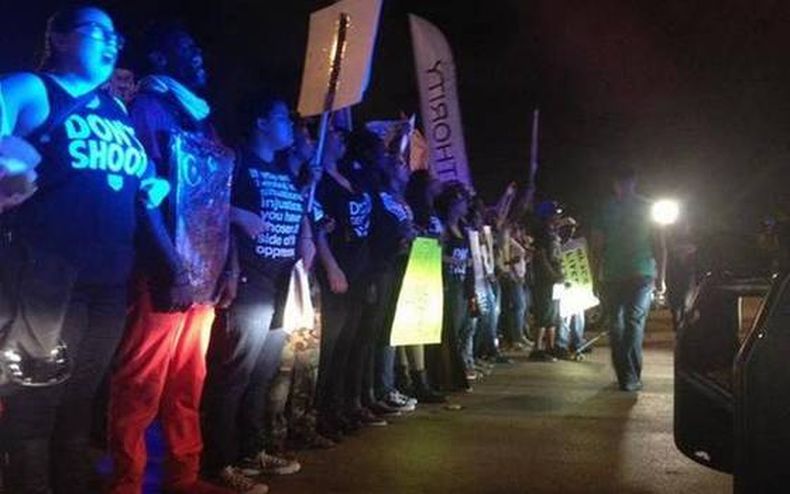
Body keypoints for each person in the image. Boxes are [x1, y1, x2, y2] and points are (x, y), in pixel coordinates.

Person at [0, 6, 160, 492]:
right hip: (45, 277)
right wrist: (8, 158)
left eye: (116, 36)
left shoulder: (116, 109)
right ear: (61, 38)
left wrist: (151, 183)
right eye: (97, 32)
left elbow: (136, 170)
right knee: (35, 404)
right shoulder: (33, 88)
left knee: (78, 403)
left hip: (108, 279)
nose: (111, 42)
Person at [107, 23, 258, 494]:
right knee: (141, 384)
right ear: (159, 58)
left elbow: (215, 200)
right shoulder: (148, 109)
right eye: (186, 47)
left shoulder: (200, 119)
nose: (198, 55)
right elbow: (144, 196)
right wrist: (171, 267)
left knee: (188, 382)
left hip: (203, 275)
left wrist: (229, 266)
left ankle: (183, 475)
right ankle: (127, 483)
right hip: (164, 273)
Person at [201, 93, 305, 483]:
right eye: (283, 118)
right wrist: (236, 214)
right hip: (248, 279)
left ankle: (251, 450)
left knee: (262, 373)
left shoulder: (282, 170)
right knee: (235, 373)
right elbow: (202, 200)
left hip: (280, 283)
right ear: (260, 122)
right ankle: (218, 461)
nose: (290, 126)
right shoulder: (238, 161)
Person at [591, 165, 666, 392]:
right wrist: (661, 277)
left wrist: (595, 277)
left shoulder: (608, 208)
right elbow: (659, 244)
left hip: (627, 274)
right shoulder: (643, 207)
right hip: (630, 274)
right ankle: (629, 375)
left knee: (622, 323)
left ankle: (627, 375)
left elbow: (596, 247)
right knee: (628, 323)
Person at [529, 200, 564, 362]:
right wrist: (552, 274)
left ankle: (550, 346)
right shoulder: (542, 233)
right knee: (543, 312)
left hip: (555, 279)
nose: (558, 217)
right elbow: (541, 256)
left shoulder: (553, 233)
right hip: (545, 280)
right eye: (555, 214)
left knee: (553, 314)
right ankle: (537, 348)